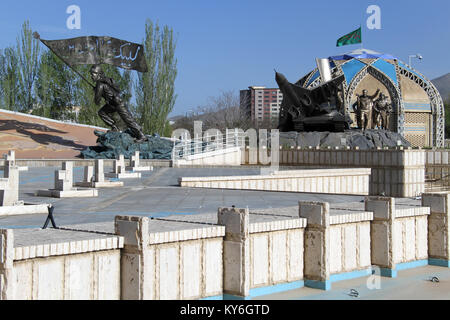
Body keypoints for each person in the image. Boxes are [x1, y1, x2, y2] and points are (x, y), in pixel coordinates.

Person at [90, 65, 147, 142]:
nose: (91, 76)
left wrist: (96, 91)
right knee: (102, 112)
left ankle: (141, 136)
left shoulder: (100, 84)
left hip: (118, 104)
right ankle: (114, 127)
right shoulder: (105, 81)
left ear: (98, 74)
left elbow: (97, 101)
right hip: (113, 104)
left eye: (93, 74)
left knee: (128, 120)